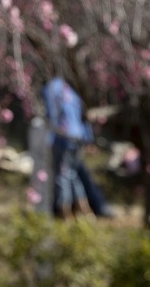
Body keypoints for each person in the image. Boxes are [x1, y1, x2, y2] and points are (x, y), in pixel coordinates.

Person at [42, 76, 112, 219]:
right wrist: (88, 139)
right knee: (72, 174)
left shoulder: (50, 89)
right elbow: (83, 117)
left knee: (62, 175)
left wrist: (48, 140)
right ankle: (85, 210)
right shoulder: (69, 90)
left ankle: (65, 212)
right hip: (78, 135)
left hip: (64, 137)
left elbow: (52, 116)